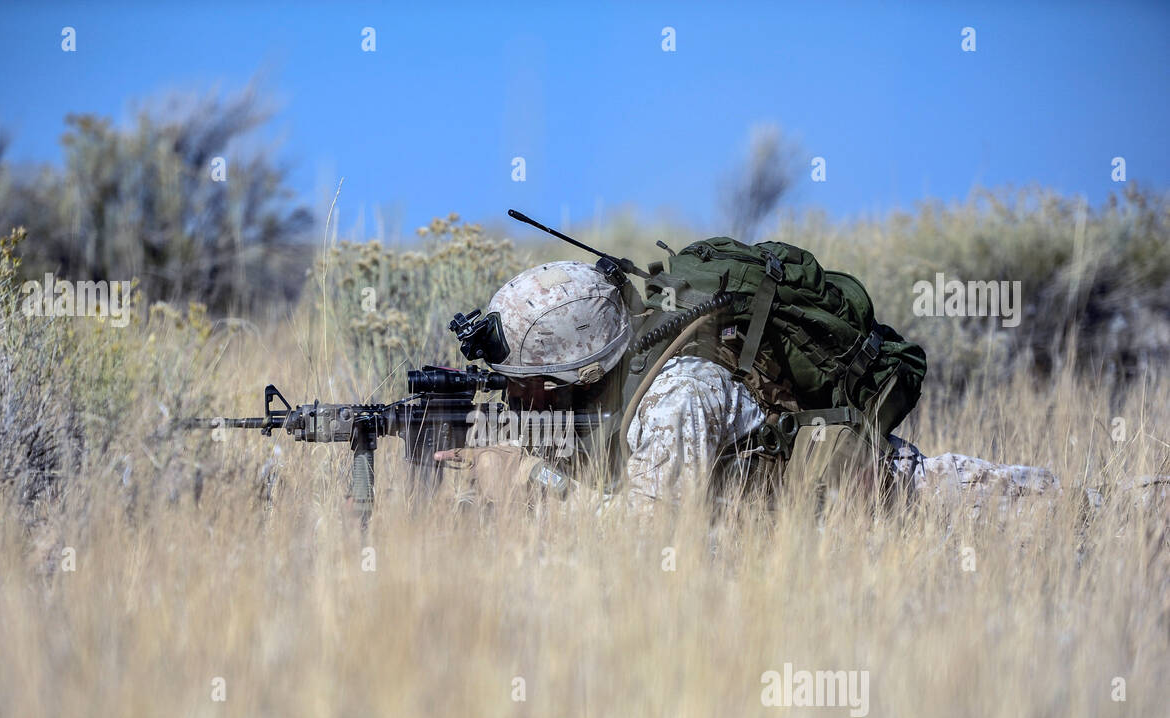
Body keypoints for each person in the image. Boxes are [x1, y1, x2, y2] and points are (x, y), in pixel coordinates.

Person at [437, 260, 1165, 515]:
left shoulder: (674, 395)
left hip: (907, 504)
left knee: (1084, 512)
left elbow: (651, 537)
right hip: (838, 518)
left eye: (526, 385)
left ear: (577, 368)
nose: (517, 401)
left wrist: (530, 481)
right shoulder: (600, 400)